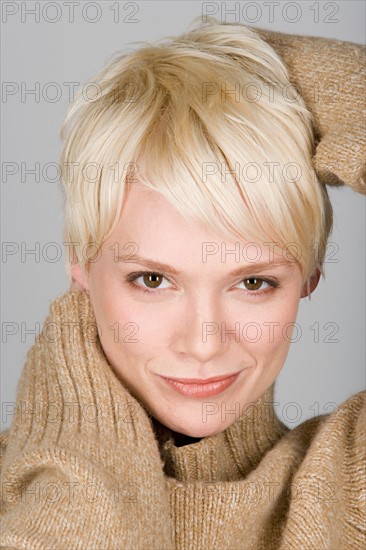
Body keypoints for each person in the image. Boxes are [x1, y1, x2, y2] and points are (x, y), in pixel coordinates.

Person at [0, 16, 365, 550]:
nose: (203, 343)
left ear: (310, 274)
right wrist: (81, 464)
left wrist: (245, 64)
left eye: (255, 282)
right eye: (152, 279)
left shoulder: (347, 486)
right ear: (79, 260)